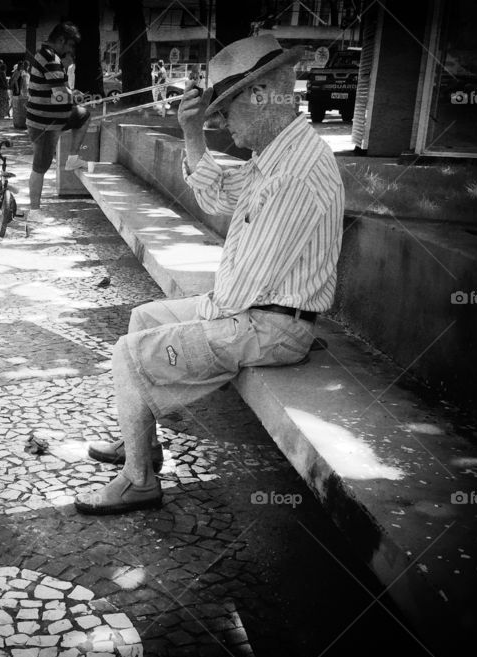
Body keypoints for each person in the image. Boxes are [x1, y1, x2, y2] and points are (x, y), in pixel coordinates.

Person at [74, 34, 344, 515]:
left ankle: (139, 482)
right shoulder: (278, 156)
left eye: (226, 108)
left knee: (130, 353)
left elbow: (245, 290)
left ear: (260, 96)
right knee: (144, 318)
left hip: (271, 326)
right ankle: (145, 446)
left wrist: (194, 326)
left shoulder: (297, 173)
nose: (222, 122)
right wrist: (192, 131)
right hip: (252, 311)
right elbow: (217, 196)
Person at [25, 21, 92, 221]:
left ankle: (72, 158)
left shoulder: (46, 54)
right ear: (61, 40)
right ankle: (34, 212)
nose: (70, 50)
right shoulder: (50, 58)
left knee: (83, 115)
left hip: (54, 117)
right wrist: (74, 96)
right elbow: (60, 93)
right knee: (40, 167)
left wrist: (72, 95)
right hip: (45, 123)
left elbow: (58, 90)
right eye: (69, 45)